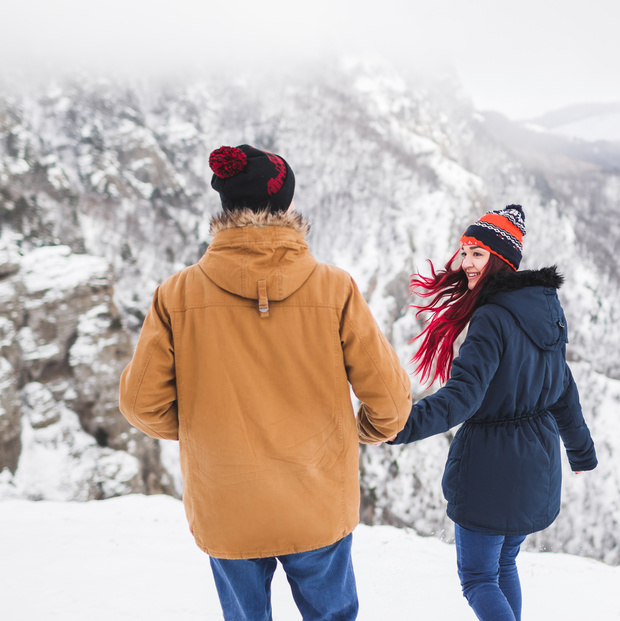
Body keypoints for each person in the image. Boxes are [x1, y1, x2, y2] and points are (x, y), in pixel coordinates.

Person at [119, 144, 411, 621]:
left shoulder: (176, 295)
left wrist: (204, 428)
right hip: (318, 500)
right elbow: (392, 405)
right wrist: (356, 431)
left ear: (226, 208)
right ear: (284, 207)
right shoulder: (334, 288)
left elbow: (139, 405)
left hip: (226, 504)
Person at [388, 204, 597, 621]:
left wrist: (397, 426)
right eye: (464, 251)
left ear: (501, 260)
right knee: (503, 565)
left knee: (479, 579)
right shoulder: (546, 306)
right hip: (537, 462)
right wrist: (580, 451)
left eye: (477, 253)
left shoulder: (490, 318)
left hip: (491, 467)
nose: (465, 262)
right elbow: (562, 386)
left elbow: (461, 398)